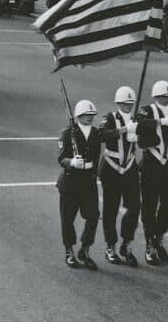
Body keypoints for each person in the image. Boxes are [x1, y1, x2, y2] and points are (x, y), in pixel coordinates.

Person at [98, 86, 154, 267]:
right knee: (110, 210)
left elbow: (154, 139)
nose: (128, 106)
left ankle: (126, 243)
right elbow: (102, 136)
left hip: (129, 167)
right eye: (124, 103)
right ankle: (110, 246)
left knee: (135, 207)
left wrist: (139, 137)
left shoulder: (138, 120)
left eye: (130, 103)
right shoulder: (110, 118)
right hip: (112, 167)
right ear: (118, 103)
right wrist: (124, 130)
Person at [135, 80, 168, 265]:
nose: (165, 99)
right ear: (155, 97)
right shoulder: (147, 110)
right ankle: (149, 244)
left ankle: (158, 236)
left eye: (167, 96)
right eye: (162, 96)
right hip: (151, 164)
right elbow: (138, 126)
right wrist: (160, 122)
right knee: (149, 206)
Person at [57, 99, 108, 270]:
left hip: (88, 181)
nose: (90, 117)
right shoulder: (67, 133)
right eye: (86, 115)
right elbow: (61, 158)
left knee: (93, 215)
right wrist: (71, 162)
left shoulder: (95, 132)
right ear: (78, 116)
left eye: (92, 115)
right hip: (70, 181)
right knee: (68, 219)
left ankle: (85, 249)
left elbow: (109, 135)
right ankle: (69, 250)